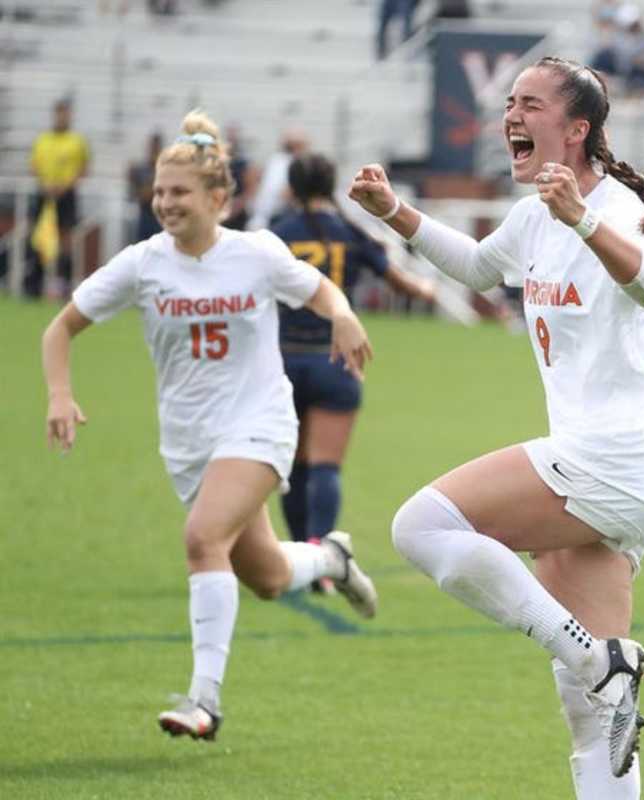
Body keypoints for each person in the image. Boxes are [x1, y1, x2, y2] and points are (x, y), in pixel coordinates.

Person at [349, 56, 644, 798]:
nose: (512, 115)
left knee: (419, 527)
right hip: (620, 474)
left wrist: (583, 219)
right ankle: (602, 673)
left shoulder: (614, 208)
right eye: (510, 101)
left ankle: (603, 663)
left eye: (531, 103)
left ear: (578, 129)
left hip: (611, 462)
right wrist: (394, 212)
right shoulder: (533, 216)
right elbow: (474, 268)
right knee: (592, 717)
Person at [40, 111, 379, 742]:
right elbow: (59, 327)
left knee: (201, 540)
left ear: (218, 199)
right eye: (160, 193)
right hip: (190, 443)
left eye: (179, 193)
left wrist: (344, 315)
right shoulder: (142, 264)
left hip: (259, 425)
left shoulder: (255, 254)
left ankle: (204, 702)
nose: (165, 203)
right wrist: (60, 394)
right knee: (269, 578)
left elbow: (323, 292)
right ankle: (331, 554)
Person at [271, 153, 435, 579]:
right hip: (336, 357)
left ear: (292, 186)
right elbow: (398, 281)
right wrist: (427, 290)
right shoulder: (349, 231)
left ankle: (299, 558)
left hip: (283, 358)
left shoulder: (277, 233)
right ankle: (324, 565)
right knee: (326, 466)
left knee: (293, 468)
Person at [28, 98, 90, 298]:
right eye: (60, 113)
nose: (63, 117)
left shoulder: (77, 141)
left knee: (66, 240)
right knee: (38, 238)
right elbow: (34, 165)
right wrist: (45, 184)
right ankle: (34, 286)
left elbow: (83, 168)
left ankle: (63, 285)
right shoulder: (43, 139)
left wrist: (65, 185)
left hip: (66, 195)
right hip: (44, 194)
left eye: (66, 113)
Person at [128, 131, 164, 243]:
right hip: (145, 215)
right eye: (152, 146)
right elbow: (137, 195)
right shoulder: (141, 169)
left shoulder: (165, 170)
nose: (154, 150)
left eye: (156, 147)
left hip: (160, 217)